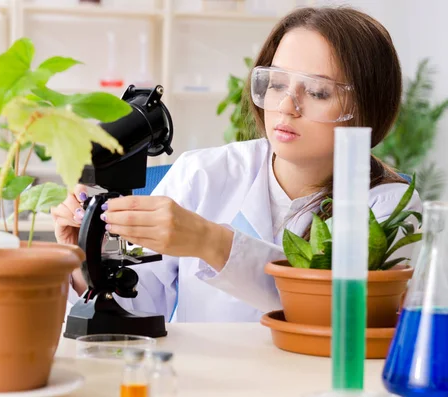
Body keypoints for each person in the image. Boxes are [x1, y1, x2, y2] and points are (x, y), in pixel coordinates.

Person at [51, 6, 423, 322]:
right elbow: (138, 308)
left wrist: (209, 240)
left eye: (317, 91)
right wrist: (87, 262)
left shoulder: (389, 206)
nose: (286, 106)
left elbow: (341, 320)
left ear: (367, 105)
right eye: (276, 83)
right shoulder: (203, 173)